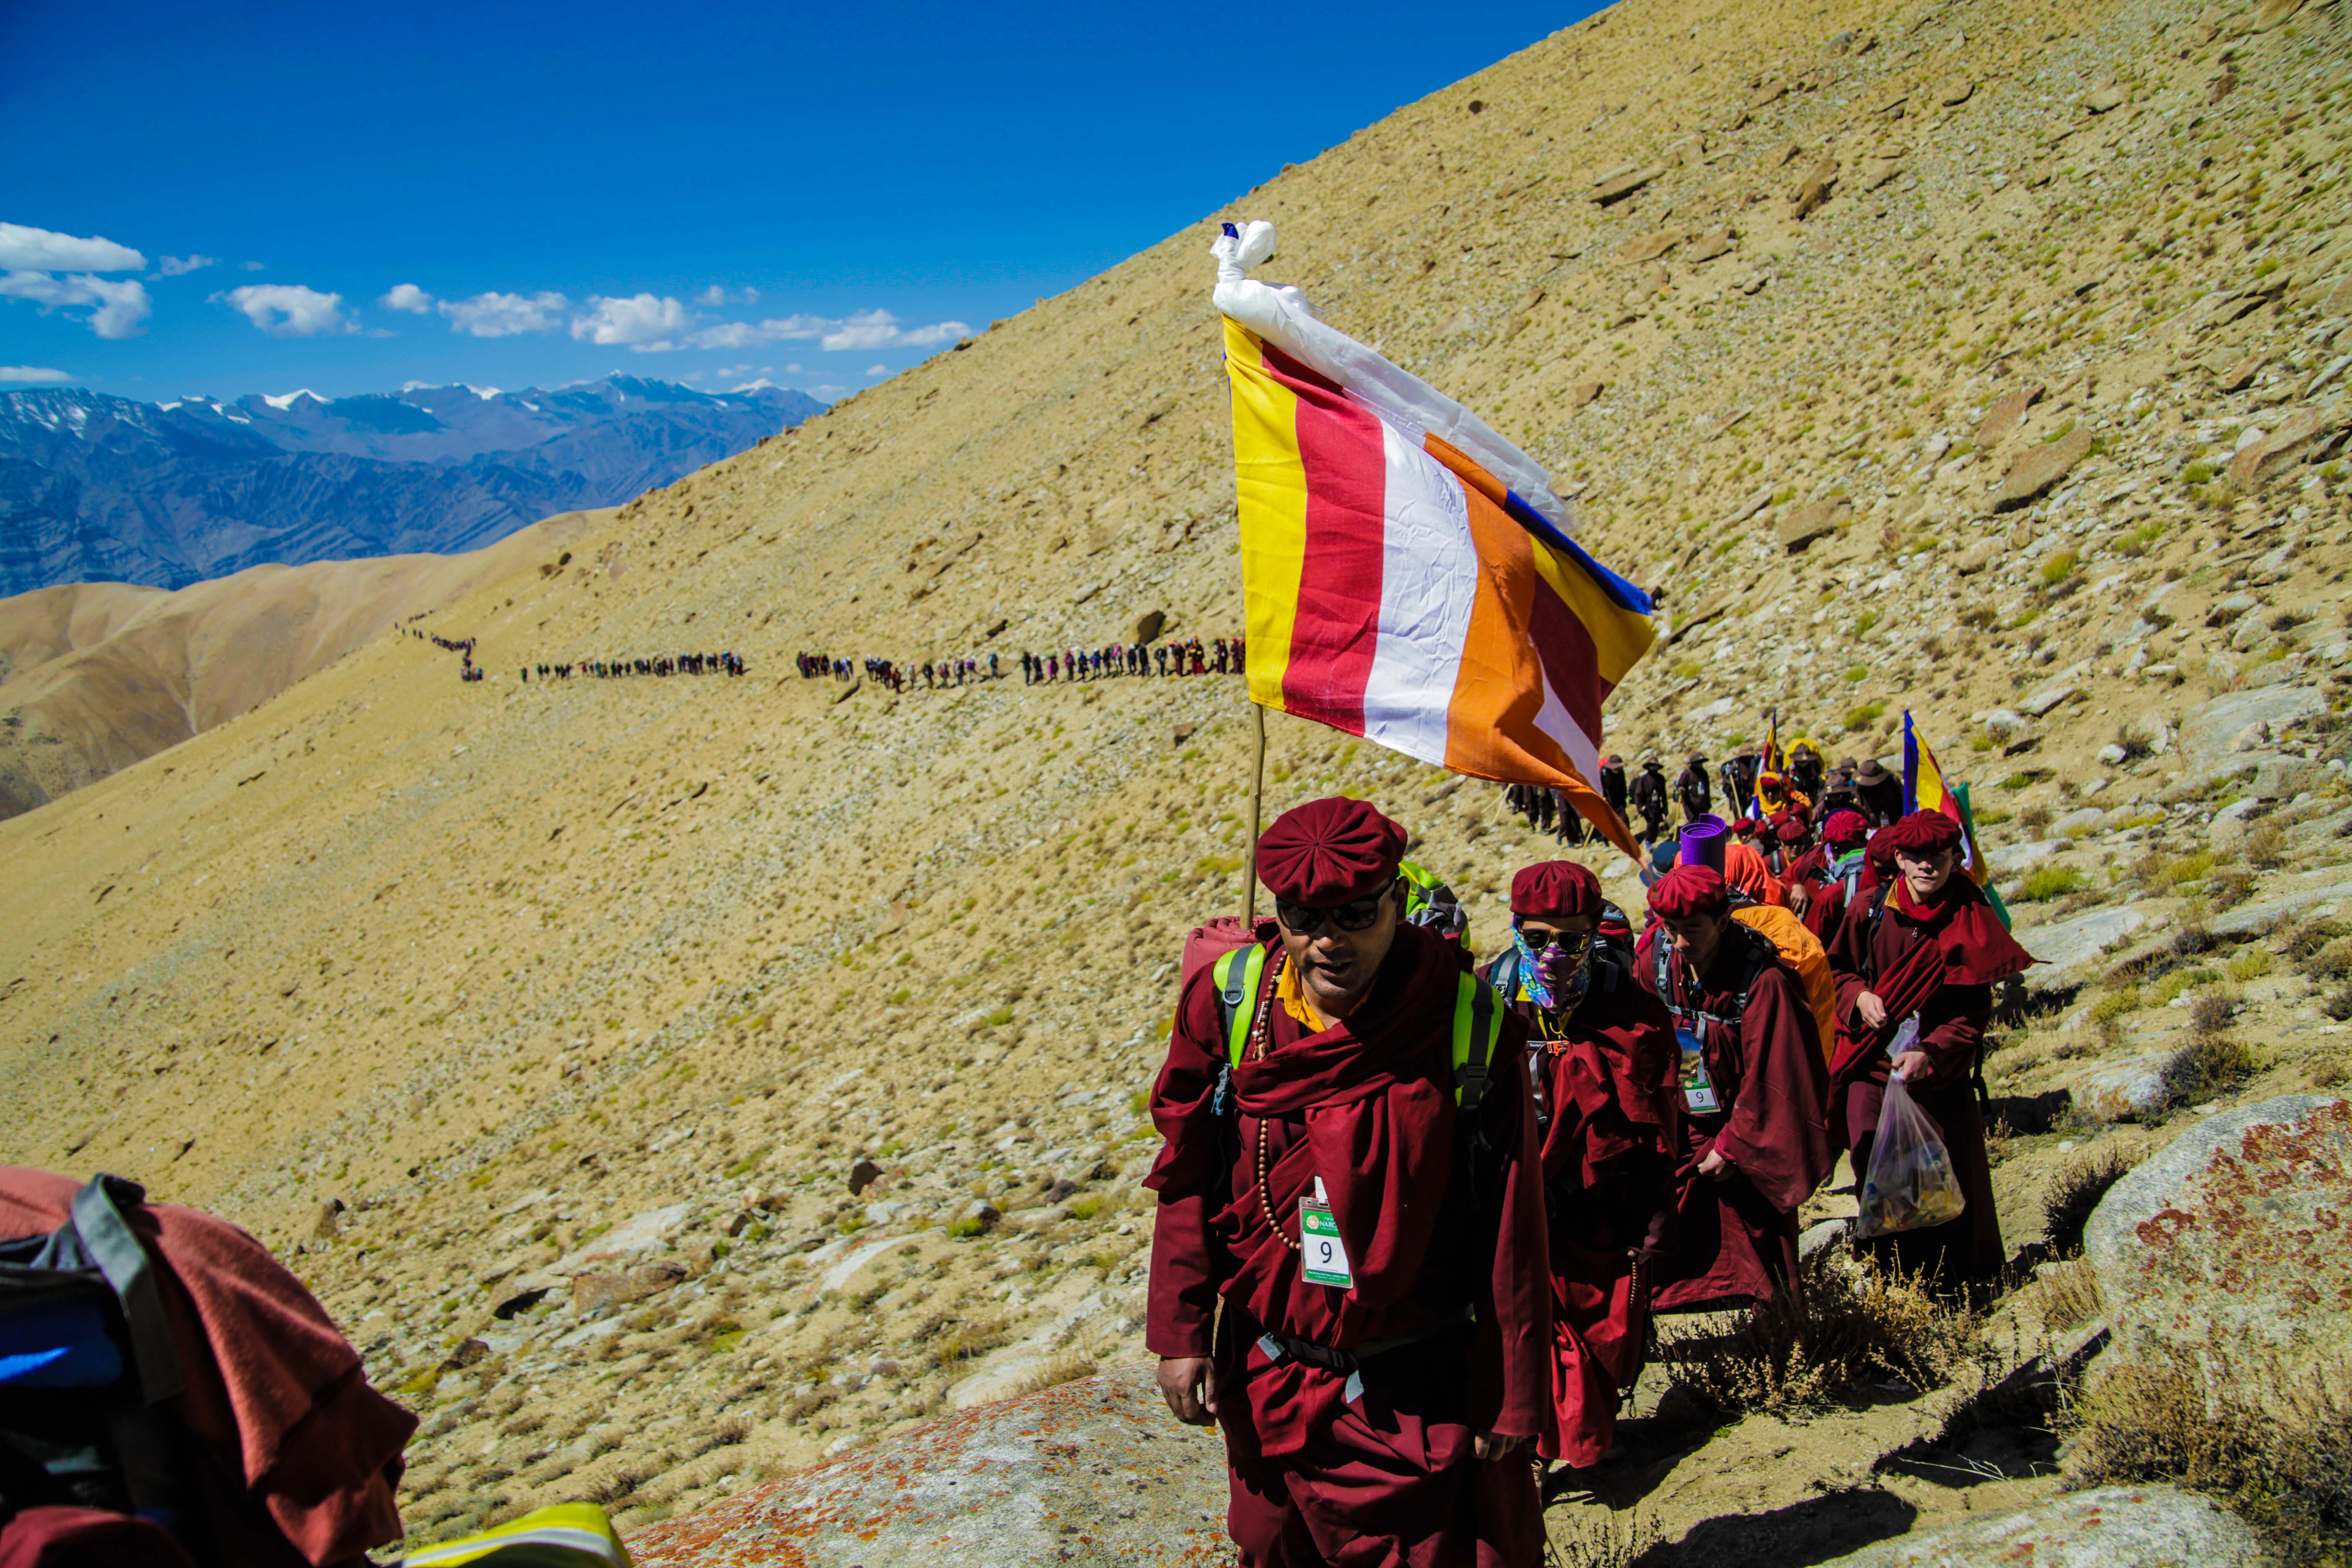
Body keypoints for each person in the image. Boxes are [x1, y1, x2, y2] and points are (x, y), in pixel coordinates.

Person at [1148, 797, 1549, 1567]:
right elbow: (1189, 1172)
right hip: (1267, 1372)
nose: (1328, 940)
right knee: (1270, 1547)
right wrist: (1180, 1330)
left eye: (1357, 913)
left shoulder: (1466, 1021)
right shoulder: (1232, 1002)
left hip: (1412, 1386)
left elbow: (1511, 1222)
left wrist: (1509, 1388)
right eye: (1303, 917)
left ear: (1397, 899)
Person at [1479, 863, 1677, 1473]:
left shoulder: (1630, 1006)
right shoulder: (1488, 1001)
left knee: (1601, 1324)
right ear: (1516, 929)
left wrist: (1654, 1214)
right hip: (1512, 1196)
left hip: (1601, 1203)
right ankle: (1532, 1443)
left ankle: (1590, 1433)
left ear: (1595, 931)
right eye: (1537, 938)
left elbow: (1660, 1113)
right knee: (1523, 1325)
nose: (1553, 956)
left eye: (1572, 940)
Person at [1827, 812, 2033, 1292]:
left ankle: (1955, 1283)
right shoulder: (1870, 909)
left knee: (1943, 1174)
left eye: (1937, 857)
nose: (1927, 867)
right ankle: (1893, 1279)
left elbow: (1973, 1011)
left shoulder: (1970, 914)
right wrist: (1859, 996)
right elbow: (1836, 970)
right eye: (1916, 856)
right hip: (1872, 1063)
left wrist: (1933, 1052)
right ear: (1899, 858)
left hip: (1937, 1073)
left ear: (1954, 858)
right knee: (1871, 1162)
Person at [1636, 866, 1832, 1313]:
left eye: (1693, 929)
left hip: (1746, 1130)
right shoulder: (1657, 962)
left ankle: (1779, 1332)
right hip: (1684, 1119)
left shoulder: (1765, 982)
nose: (1680, 942)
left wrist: (1733, 1146)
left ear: (1723, 921)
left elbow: (1775, 1077)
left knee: (1762, 1242)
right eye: (1670, 928)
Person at [1629, 756, 1670, 845]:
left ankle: (1650, 841)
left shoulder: (1661, 778)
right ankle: (1647, 841)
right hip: (1647, 806)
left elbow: (1664, 794)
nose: (1654, 768)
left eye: (1655, 766)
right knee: (1651, 823)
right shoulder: (1644, 779)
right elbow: (1638, 794)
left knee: (1656, 823)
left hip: (1657, 805)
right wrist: (1640, 807)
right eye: (1652, 766)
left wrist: (1665, 807)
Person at [1853, 758, 1903, 828]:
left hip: (1895, 821)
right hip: (1872, 823)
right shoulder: (1860, 786)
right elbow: (1860, 804)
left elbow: (1901, 801)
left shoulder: (1893, 782)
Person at [1674, 753, 1711, 825]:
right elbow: (1680, 785)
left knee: (1704, 825)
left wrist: (1708, 804)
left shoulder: (1704, 773)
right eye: (1698, 763)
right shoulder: (1687, 774)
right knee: (1695, 824)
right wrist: (1681, 789)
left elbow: (1707, 790)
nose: (1700, 764)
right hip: (1691, 806)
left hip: (1703, 805)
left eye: (1701, 762)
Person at [1599, 755, 1630, 831]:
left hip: (1619, 801)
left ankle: (1627, 836)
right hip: (1607, 801)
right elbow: (1600, 787)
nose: (1617, 769)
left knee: (1624, 821)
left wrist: (1624, 799)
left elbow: (1623, 786)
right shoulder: (1603, 773)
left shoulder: (1621, 772)